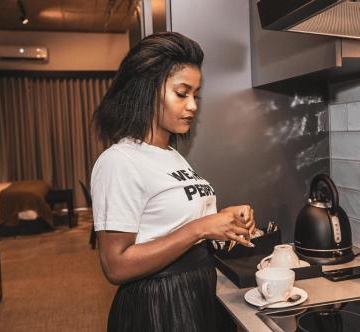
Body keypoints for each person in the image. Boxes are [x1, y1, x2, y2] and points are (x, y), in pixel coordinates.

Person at [90, 32, 255, 332]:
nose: (193, 105)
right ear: (147, 90)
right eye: (182, 93)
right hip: (159, 306)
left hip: (197, 293)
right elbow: (116, 265)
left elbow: (177, 225)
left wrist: (224, 220)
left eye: (196, 95)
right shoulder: (119, 161)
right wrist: (200, 228)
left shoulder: (172, 156)